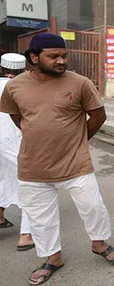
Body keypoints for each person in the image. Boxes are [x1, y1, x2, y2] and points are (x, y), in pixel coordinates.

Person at [0, 33, 114, 285]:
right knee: (39, 217)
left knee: (93, 206)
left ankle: (99, 244)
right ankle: (52, 257)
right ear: (34, 57)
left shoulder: (79, 83)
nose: (61, 61)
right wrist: (37, 134)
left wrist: (78, 141)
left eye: (64, 56)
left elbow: (98, 116)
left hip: (76, 163)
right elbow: (16, 116)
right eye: (53, 56)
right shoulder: (15, 87)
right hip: (33, 166)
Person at [0, 53, 34, 251]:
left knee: (3, 178)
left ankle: (1, 216)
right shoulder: (22, 88)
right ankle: (26, 235)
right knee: (30, 184)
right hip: (14, 143)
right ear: (23, 70)